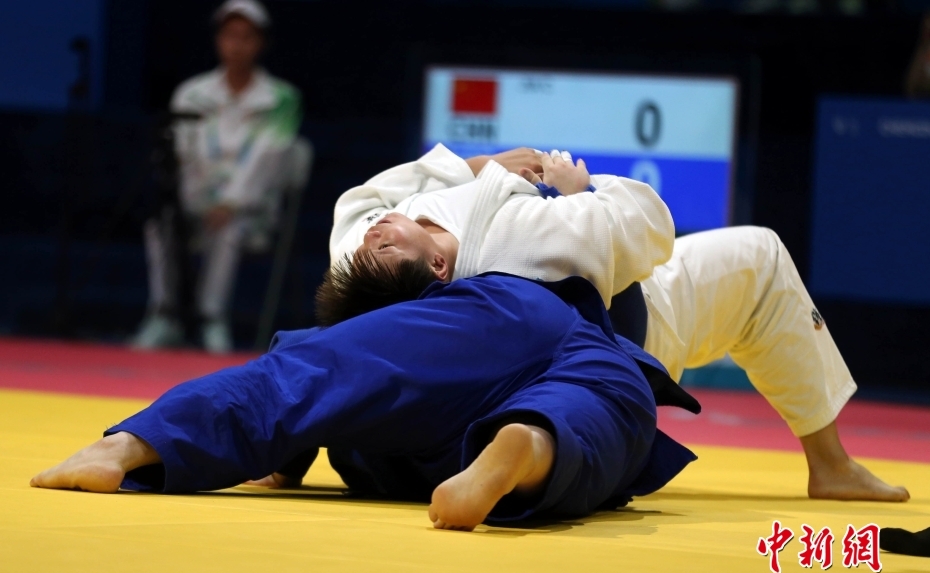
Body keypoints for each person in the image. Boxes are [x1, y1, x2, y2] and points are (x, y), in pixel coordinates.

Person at [320, 145, 909, 503]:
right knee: (761, 256)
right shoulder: (522, 239)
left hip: (566, 359)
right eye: (385, 246)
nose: (377, 231)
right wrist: (584, 190)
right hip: (633, 335)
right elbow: (647, 227)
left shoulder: (357, 252)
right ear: (440, 267)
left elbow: (387, 190)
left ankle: (291, 451)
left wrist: (483, 165)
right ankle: (830, 466)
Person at [32, 273, 701, 532]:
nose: (384, 226)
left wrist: (491, 168)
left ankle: (122, 447)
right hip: (484, 415)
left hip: (508, 336)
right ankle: (526, 443)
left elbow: (291, 384)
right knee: (598, 415)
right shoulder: (360, 323)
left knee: (318, 374)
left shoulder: (472, 224)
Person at [133, 0, 302, 353]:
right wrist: (197, 201)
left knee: (228, 227)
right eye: (229, 35)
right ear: (218, 40)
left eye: (246, 37)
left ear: (260, 43)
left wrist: (231, 203)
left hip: (252, 209)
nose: (237, 45)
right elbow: (181, 155)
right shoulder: (192, 94)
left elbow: (269, 158)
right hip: (195, 200)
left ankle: (211, 318)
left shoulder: (282, 98)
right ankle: (164, 313)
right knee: (160, 225)